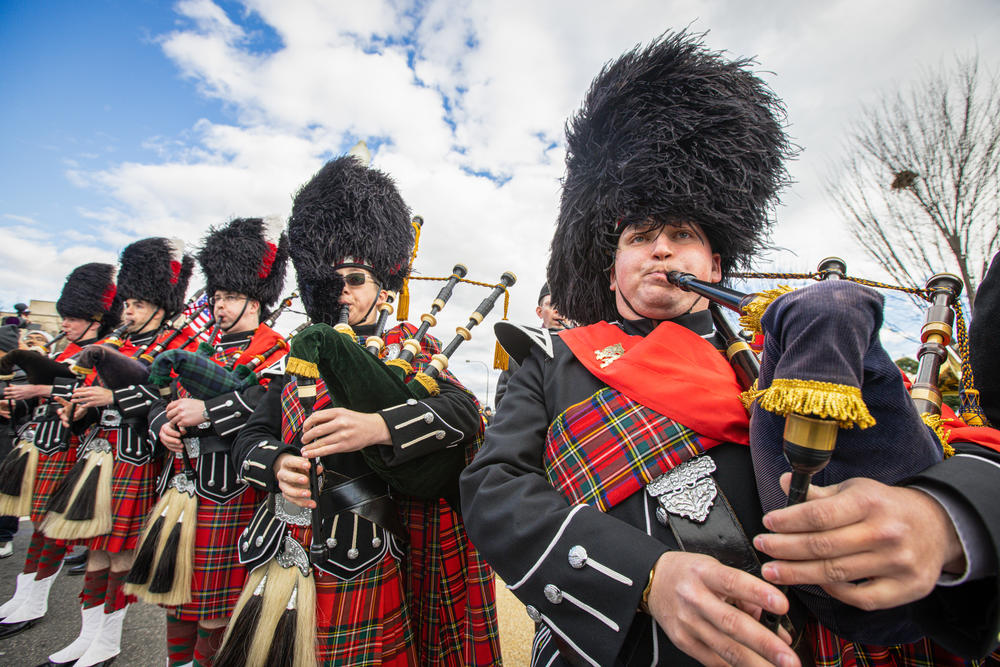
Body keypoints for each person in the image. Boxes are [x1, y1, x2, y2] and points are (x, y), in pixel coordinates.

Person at [460, 31, 1000, 667]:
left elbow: (939, 458)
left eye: (681, 234)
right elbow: (495, 489)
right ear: (613, 273)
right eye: (639, 236)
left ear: (715, 265)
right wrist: (645, 577)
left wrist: (938, 516)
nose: (660, 249)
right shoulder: (553, 364)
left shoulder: (785, 360)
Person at [230, 155, 500, 665]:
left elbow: (466, 415)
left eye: (355, 278)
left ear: (384, 286)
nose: (343, 291)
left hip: (370, 552)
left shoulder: (412, 349)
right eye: (332, 281)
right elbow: (254, 433)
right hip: (286, 546)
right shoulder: (300, 356)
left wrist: (377, 426)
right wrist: (275, 465)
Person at [145, 217, 290, 667]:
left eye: (229, 296)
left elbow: (269, 403)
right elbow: (158, 395)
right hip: (181, 484)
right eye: (217, 295)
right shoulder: (202, 348)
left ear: (256, 299)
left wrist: (209, 413)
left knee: (214, 606)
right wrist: (161, 427)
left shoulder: (276, 348)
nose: (219, 304)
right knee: (177, 597)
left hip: (229, 489)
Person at [46, 238, 194, 667]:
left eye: (137, 303)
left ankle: (108, 639)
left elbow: (160, 395)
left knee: (121, 550)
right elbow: (84, 386)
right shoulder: (119, 341)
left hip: (138, 456)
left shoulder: (179, 340)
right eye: (126, 303)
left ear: (161, 304)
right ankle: (87, 635)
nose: (127, 311)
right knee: (95, 546)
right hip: (100, 452)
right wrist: (75, 409)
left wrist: (111, 400)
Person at [0, 263, 122, 642]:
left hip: (71, 446)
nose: (65, 324)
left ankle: (35, 599)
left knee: (52, 527)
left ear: (95, 320)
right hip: (42, 440)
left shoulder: (103, 352)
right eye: (65, 317)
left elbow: (89, 393)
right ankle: (25, 595)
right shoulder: (66, 347)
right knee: (39, 525)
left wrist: (38, 390)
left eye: (73, 318)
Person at [494, 282, 565, 410]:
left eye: (565, 303)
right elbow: (503, 404)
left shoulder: (586, 345)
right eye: (551, 304)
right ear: (540, 311)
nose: (558, 309)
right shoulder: (523, 348)